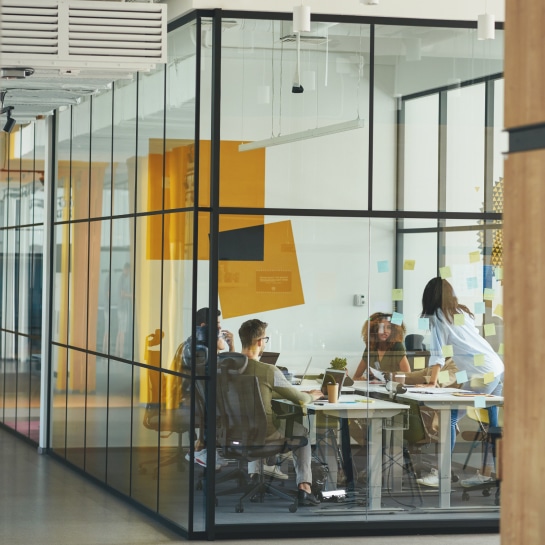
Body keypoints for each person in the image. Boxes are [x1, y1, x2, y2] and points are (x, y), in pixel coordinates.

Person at [416, 277, 504, 487]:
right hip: (497, 368)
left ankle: (441, 475)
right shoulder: (461, 312)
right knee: (491, 426)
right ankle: (486, 475)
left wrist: (432, 383)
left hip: (481, 373)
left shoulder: (437, 317)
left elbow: (438, 353)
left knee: (450, 419)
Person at [238, 318, 323, 506]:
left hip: (233, 433)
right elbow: (299, 400)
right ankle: (304, 488)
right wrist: (310, 396)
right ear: (260, 341)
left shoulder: (228, 366)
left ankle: (255, 474)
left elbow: (259, 390)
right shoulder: (267, 370)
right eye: (265, 339)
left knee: (255, 424)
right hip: (265, 434)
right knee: (302, 431)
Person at [185, 307, 235, 470]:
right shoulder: (204, 353)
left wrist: (230, 346)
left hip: (203, 402)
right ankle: (260, 463)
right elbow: (232, 376)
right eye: (217, 325)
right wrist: (227, 345)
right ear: (204, 326)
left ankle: (202, 448)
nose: (220, 329)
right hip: (214, 404)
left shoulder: (195, 345)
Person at [352, 312, 411, 381]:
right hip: (373, 389)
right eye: (381, 327)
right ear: (374, 330)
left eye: (389, 328)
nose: (385, 331)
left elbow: (407, 375)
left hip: (392, 389)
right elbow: (356, 377)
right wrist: (367, 381)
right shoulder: (370, 348)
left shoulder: (397, 346)